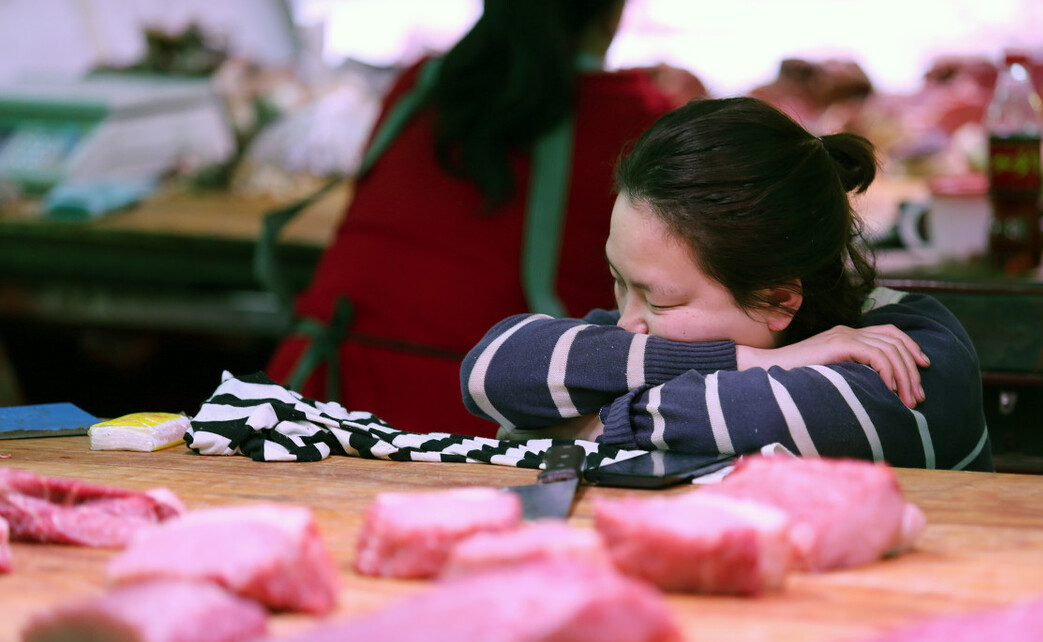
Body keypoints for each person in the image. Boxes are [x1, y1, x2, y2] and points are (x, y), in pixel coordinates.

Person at [461, 97, 994, 471]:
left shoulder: (912, 355)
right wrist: (762, 361)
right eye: (618, 281)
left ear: (777, 299)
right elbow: (493, 370)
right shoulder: (649, 333)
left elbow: (760, 417)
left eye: (662, 298)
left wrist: (587, 427)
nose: (626, 320)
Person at [265, 0, 681, 436]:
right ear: (610, 11)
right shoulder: (635, 118)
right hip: (471, 419)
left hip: (309, 400)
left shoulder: (423, 83)